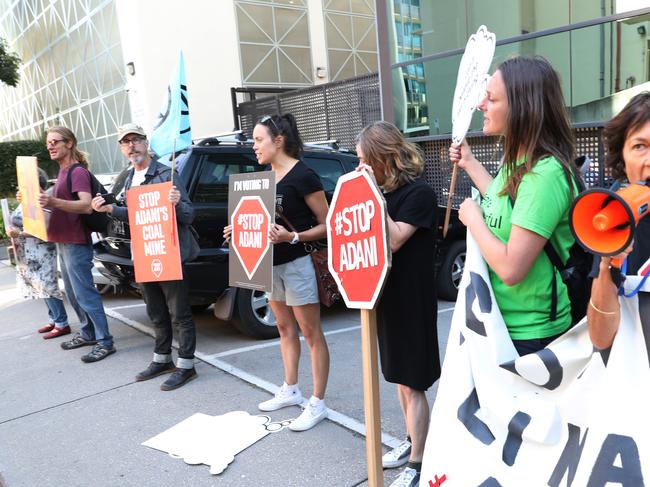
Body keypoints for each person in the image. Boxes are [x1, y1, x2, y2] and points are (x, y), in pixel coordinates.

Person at [449, 56, 580, 356]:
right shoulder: (518, 162)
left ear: (522, 107)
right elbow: (501, 201)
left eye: (491, 98)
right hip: (497, 321)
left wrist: (473, 220)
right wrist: (469, 163)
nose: (481, 104)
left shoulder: (544, 175)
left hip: (530, 335)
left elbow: (510, 268)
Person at [225, 114, 330, 431]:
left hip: (298, 263)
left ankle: (318, 402)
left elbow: (328, 224)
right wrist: (238, 230)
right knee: (284, 329)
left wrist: (293, 237)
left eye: (259, 139)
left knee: (311, 333)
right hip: (268, 265)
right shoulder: (262, 179)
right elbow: (256, 222)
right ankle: (291, 389)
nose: (254, 146)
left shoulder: (304, 175)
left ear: (278, 140)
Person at [356, 121, 439, 487]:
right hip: (385, 296)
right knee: (397, 377)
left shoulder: (417, 193)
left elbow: (393, 240)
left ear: (382, 158)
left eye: (364, 160)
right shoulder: (383, 193)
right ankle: (412, 441)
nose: (360, 167)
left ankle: (419, 462)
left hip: (413, 299)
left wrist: (370, 193)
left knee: (413, 382)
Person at [91, 123, 199, 391]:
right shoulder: (129, 178)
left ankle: (186, 366)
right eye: (125, 142)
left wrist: (176, 203)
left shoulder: (165, 173)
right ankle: (162, 359)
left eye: (136, 140)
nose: (131, 146)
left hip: (169, 252)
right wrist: (108, 209)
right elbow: (134, 214)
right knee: (156, 311)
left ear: (145, 142)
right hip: (144, 252)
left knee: (179, 313)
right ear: (121, 148)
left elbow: (188, 215)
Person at [37, 126, 115, 362]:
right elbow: (59, 205)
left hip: (76, 240)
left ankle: (105, 342)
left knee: (85, 293)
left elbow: (85, 205)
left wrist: (52, 200)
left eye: (55, 142)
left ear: (69, 143)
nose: (50, 146)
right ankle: (88, 332)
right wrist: (40, 199)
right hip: (63, 239)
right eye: (48, 142)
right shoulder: (62, 171)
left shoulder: (77, 171)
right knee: (72, 293)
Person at [587, 92, 650, 349]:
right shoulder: (615, 221)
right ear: (622, 161)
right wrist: (606, 267)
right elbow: (601, 339)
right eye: (639, 146)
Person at [8, 168, 70, 339]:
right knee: (39, 285)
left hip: (42, 249)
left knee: (48, 285)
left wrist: (19, 233)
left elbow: (44, 229)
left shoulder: (41, 201)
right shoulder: (25, 200)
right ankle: (53, 318)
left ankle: (61, 322)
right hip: (28, 250)